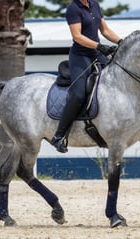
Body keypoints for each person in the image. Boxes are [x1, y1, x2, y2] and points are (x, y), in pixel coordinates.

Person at [50, 0, 122, 153]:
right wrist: (99, 46)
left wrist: (122, 42)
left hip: (96, 53)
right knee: (78, 94)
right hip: (80, 56)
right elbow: (77, 36)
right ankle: (59, 136)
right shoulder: (73, 8)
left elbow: (106, 31)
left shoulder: (94, 5)